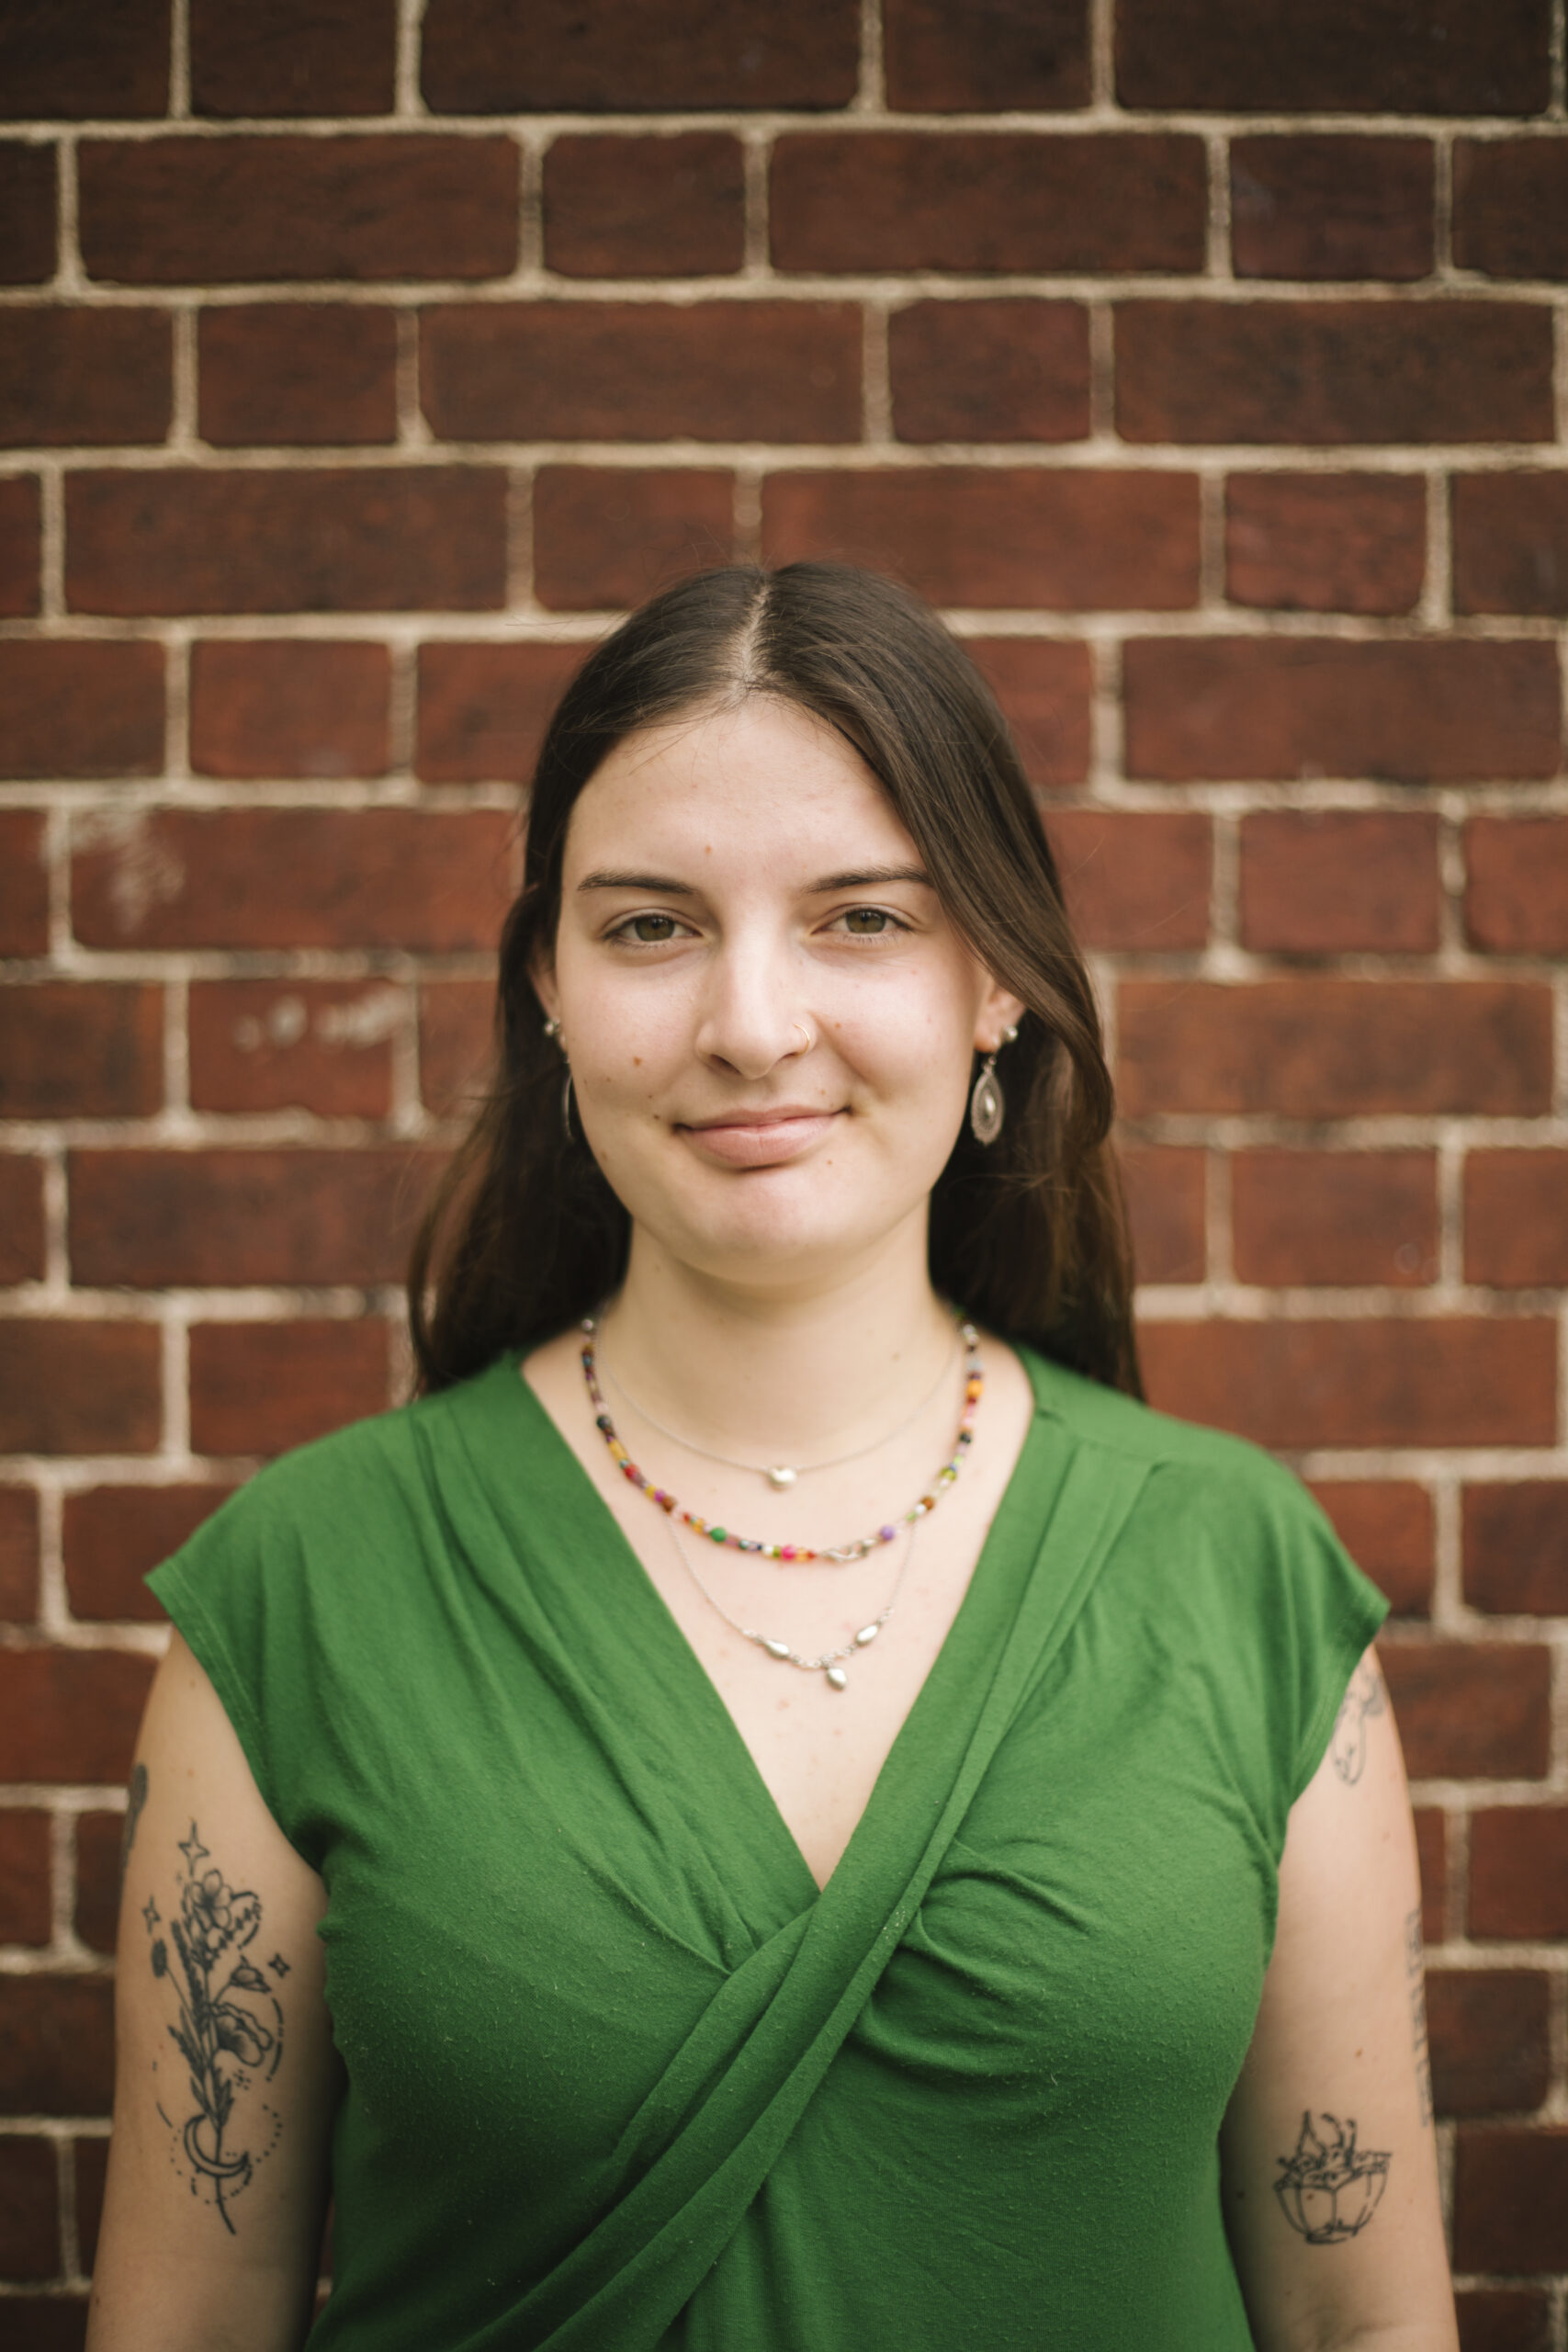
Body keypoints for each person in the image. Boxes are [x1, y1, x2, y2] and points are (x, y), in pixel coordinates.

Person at [88, 563, 1458, 2352]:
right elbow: (182, 2325)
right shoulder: (301, 1595)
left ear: (994, 984)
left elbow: (1363, 2313)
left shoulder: (1237, 1575)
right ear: (551, 991)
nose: (748, 1019)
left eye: (859, 918)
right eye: (649, 924)